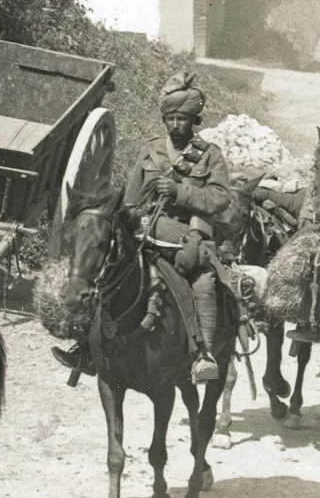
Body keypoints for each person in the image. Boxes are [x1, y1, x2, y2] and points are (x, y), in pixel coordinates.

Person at [54, 73, 236, 382]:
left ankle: (202, 354)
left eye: (182, 118)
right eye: (171, 118)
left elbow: (221, 199)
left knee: (203, 280)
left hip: (189, 236)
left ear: (194, 120)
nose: (176, 124)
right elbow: (131, 199)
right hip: (147, 231)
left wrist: (181, 192)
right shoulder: (151, 151)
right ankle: (86, 347)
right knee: (105, 271)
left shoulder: (210, 155)